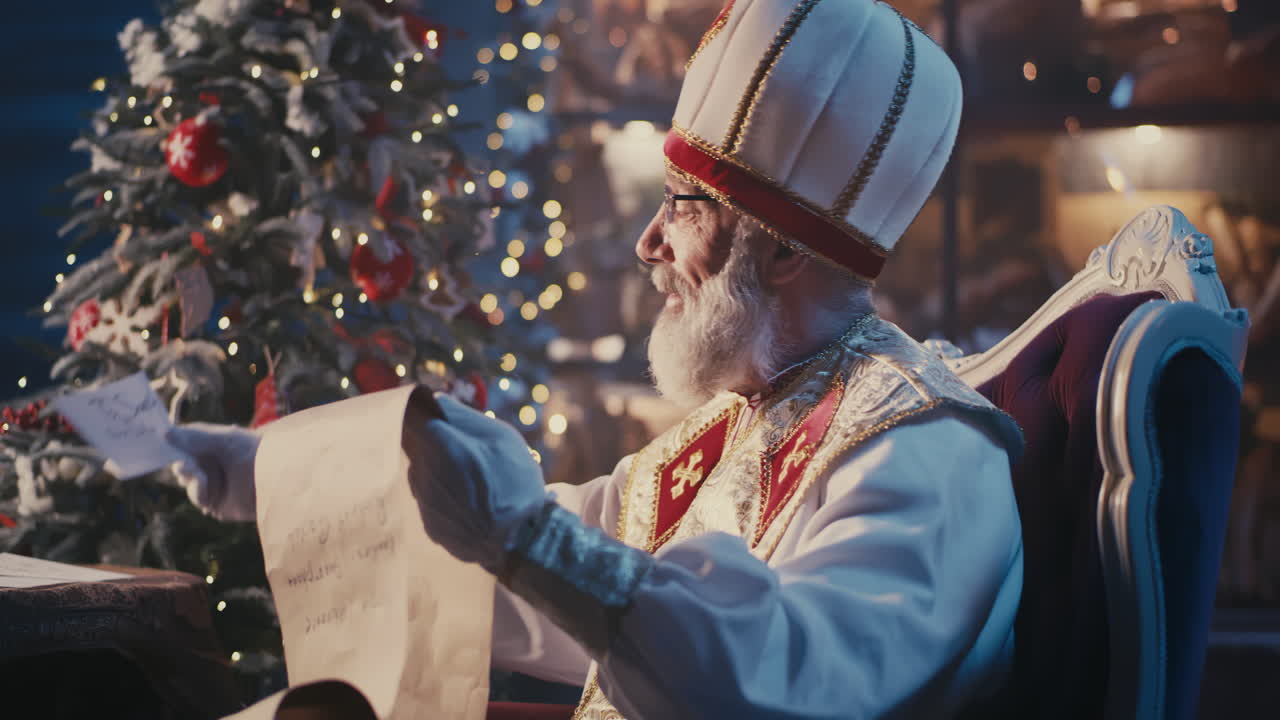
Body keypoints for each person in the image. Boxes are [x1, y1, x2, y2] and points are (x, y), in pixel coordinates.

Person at [170, 1, 1025, 717]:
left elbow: (779, 684)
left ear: (782, 253)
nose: (649, 242)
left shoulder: (926, 451)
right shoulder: (757, 407)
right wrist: (283, 481)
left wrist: (525, 538)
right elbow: (565, 557)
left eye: (684, 207)